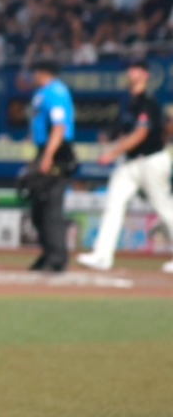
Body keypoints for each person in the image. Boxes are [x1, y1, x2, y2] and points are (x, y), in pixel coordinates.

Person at [76, 58, 173, 273]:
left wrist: (113, 152)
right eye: (131, 69)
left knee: (165, 208)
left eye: (137, 69)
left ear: (146, 74)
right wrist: (109, 138)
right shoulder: (129, 101)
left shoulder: (149, 101)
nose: (132, 73)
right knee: (113, 204)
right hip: (131, 163)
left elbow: (142, 133)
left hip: (152, 160)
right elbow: (123, 129)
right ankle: (102, 255)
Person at [25, 59, 77, 272]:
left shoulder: (56, 92)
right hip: (45, 150)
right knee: (39, 207)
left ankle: (57, 258)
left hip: (57, 152)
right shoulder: (43, 93)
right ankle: (48, 252)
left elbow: (59, 127)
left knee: (52, 208)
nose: (33, 76)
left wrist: (48, 157)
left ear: (42, 72)